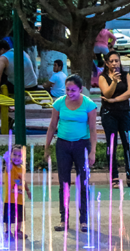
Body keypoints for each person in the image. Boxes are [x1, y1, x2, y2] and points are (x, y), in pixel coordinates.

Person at [44, 75, 97, 232]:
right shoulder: (59, 103)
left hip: (82, 145)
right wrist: (46, 147)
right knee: (64, 183)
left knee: (83, 182)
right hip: (63, 145)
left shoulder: (89, 105)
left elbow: (93, 129)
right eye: (67, 89)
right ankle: (64, 219)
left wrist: (93, 151)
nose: (70, 93)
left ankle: (84, 220)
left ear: (80, 89)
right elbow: (52, 126)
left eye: (73, 90)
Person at [98, 51, 130, 188]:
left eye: (117, 60)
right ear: (107, 63)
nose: (115, 63)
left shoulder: (126, 75)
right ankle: (114, 177)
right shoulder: (103, 77)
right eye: (112, 61)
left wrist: (115, 100)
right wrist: (114, 82)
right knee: (112, 145)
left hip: (124, 112)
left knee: (129, 144)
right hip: (109, 114)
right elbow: (107, 93)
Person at [3, 145, 31, 240]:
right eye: (14, 155)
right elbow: (8, 168)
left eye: (20, 155)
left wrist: (27, 190)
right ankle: (8, 232)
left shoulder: (22, 168)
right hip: (10, 199)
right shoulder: (11, 167)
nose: (17, 157)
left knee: (20, 217)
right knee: (9, 216)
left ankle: (18, 231)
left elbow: (23, 181)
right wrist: (7, 161)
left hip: (20, 199)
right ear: (10, 155)